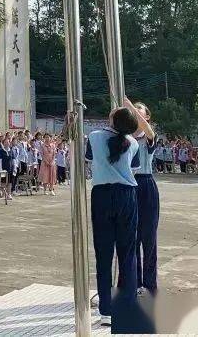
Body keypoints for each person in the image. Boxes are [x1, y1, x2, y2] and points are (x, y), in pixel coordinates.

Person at [82, 103, 140, 328]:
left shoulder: (95, 137)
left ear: (114, 120)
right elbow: (132, 168)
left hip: (103, 195)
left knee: (104, 253)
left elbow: (88, 160)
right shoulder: (133, 143)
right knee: (128, 254)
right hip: (127, 195)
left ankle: (106, 309)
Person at [130, 98, 159, 296]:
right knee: (132, 238)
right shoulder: (125, 139)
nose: (135, 115)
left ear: (146, 117)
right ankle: (135, 283)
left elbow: (147, 130)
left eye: (139, 112)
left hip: (146, 185)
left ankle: (149, 284)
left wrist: (129, 105)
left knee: (148, 238)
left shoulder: (149, 137)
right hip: (129, 186)